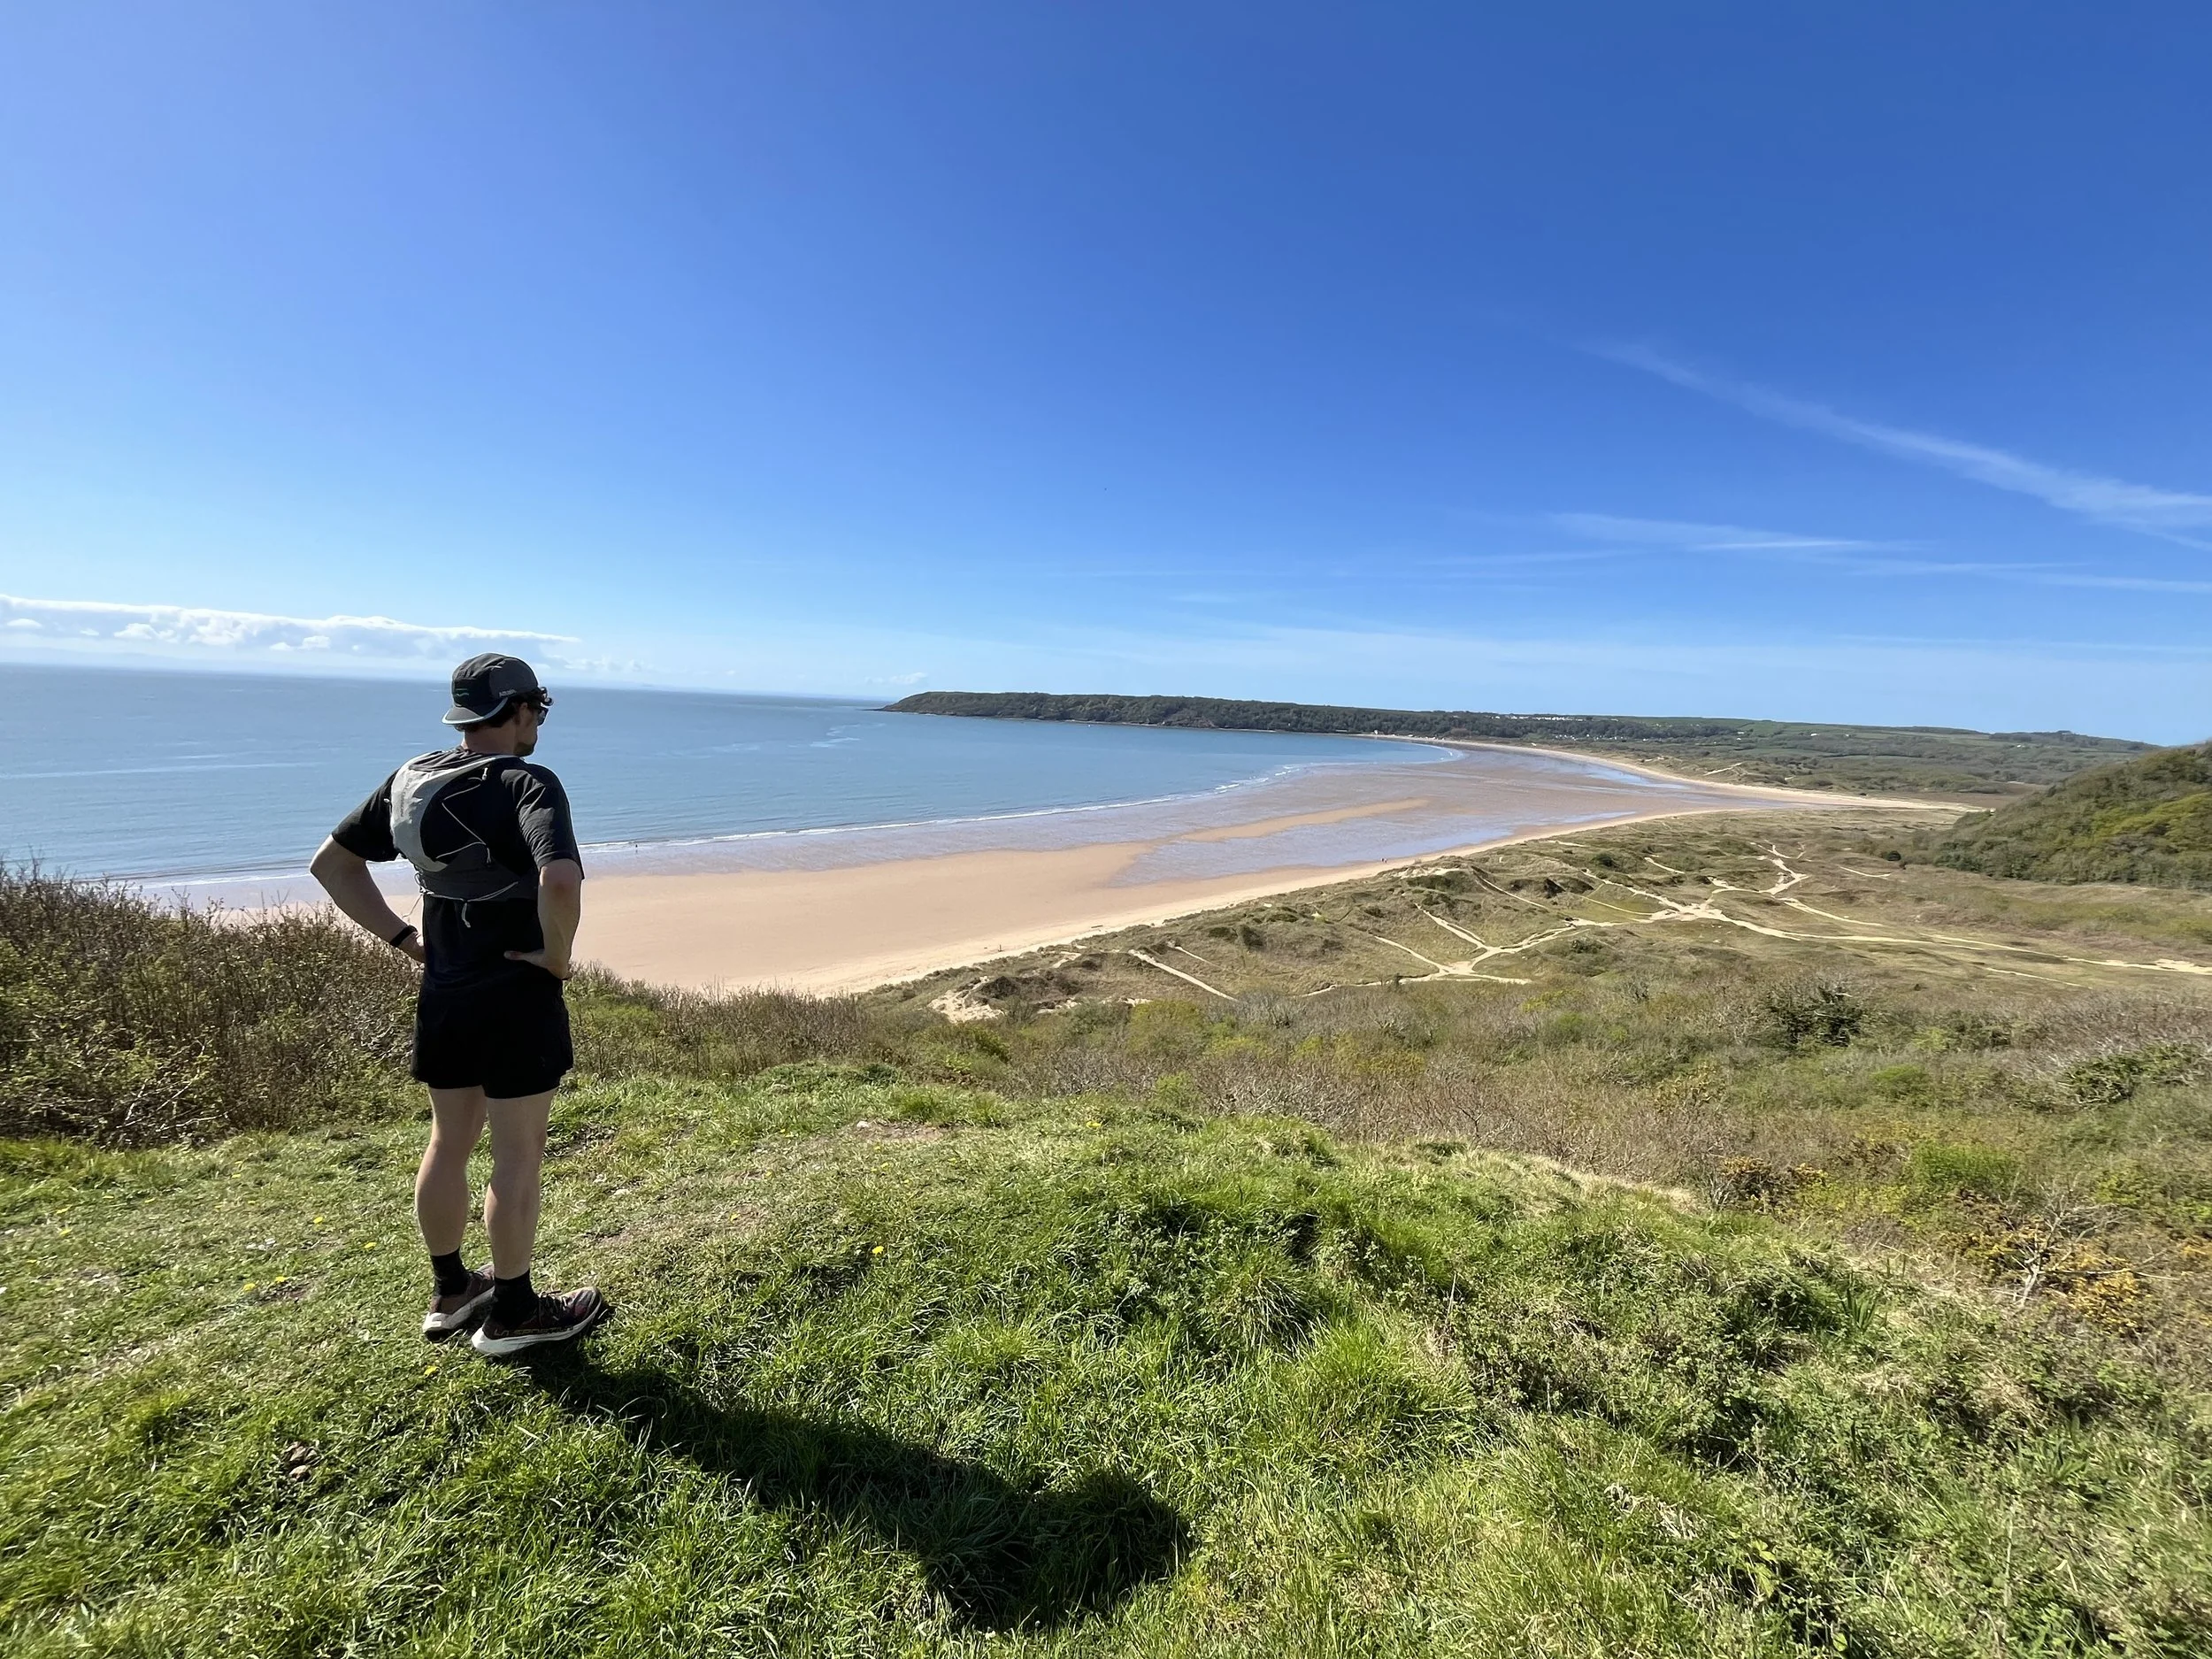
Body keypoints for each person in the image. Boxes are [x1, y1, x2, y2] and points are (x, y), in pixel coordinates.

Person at [310, 652, 607, 1356]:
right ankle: (513, 1311)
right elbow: (560, 879)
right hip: (515, 996)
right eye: (538, 709)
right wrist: (558, 957)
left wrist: (402, 938)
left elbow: (332, 864)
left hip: (444, 988)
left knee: (449, 1141)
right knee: (518, 1155)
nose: (538, 722)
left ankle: (451, 1291)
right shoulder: (525, 780)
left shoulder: (414, 777)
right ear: (520, 711)